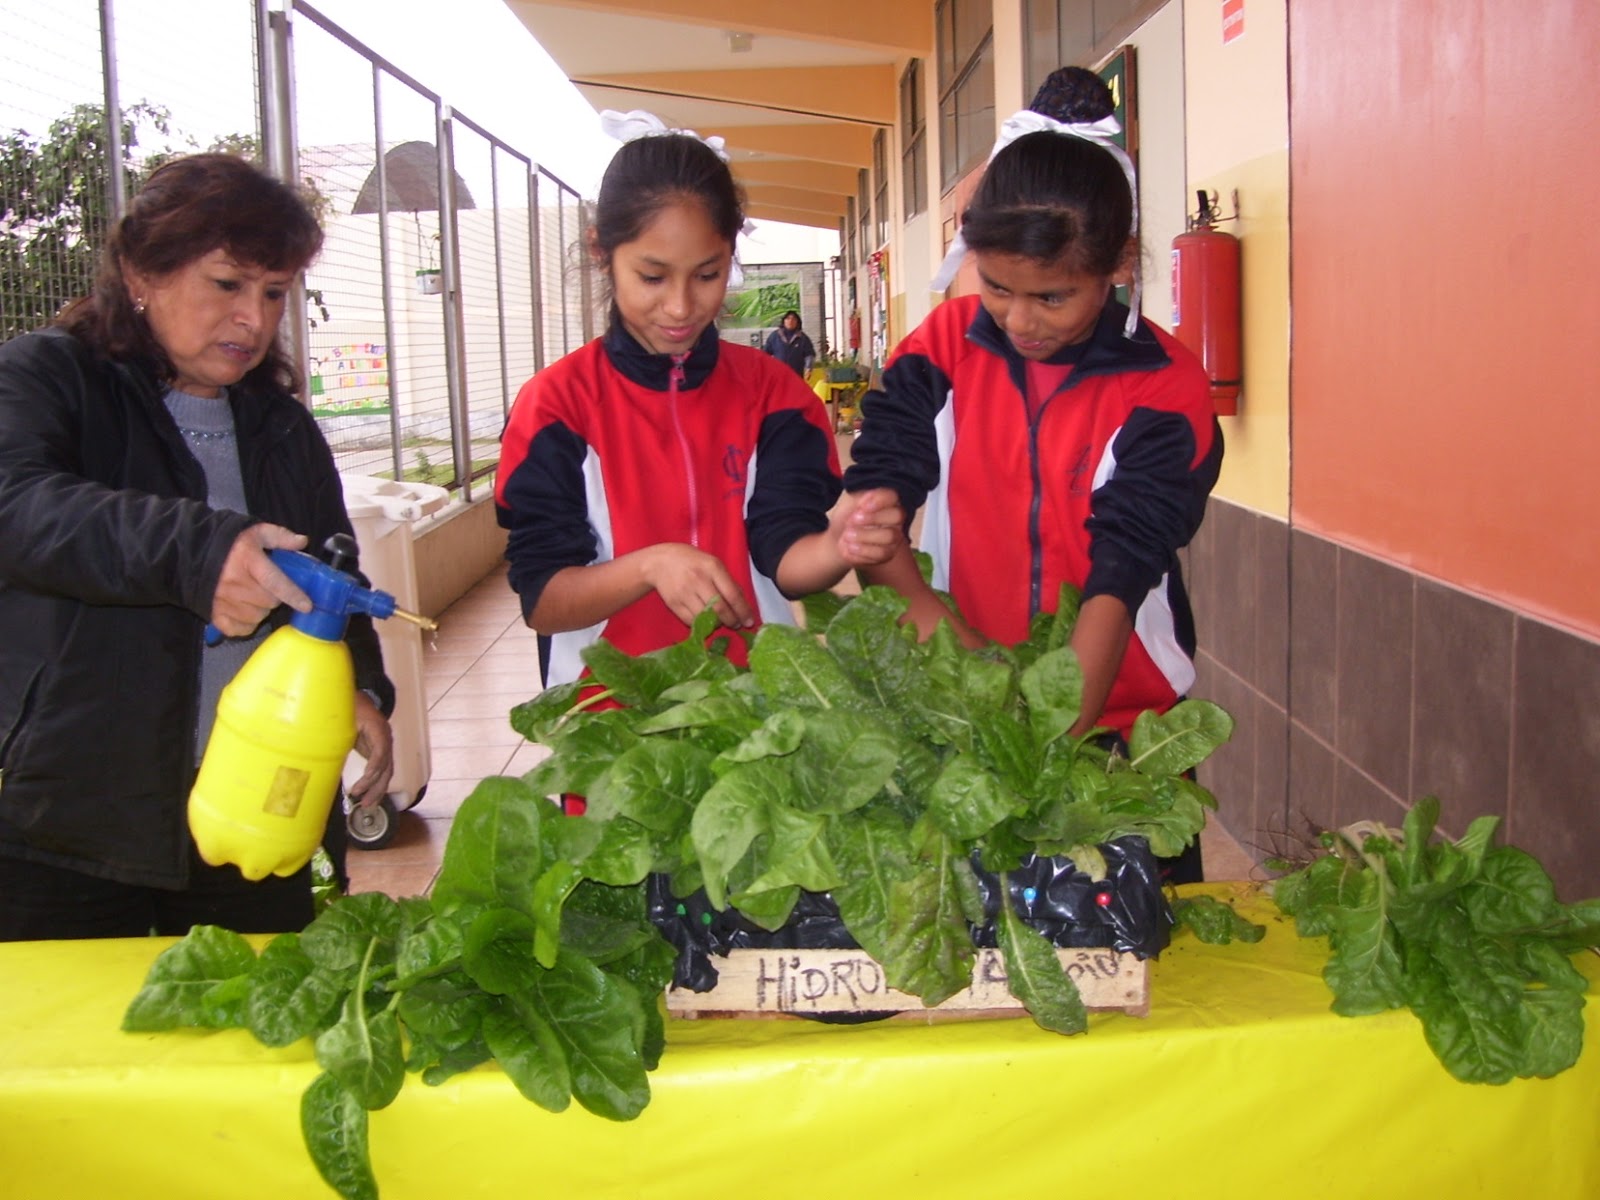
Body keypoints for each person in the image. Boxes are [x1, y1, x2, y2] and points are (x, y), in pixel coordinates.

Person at [0, 153, 396, 940]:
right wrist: (199, 552)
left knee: (248, 1048)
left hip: (253, 818)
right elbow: (19, 507)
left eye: (274, 292)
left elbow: (332, 577)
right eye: (227, 284)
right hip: (68, 827)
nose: (253, 318)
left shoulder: (282, 428)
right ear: (141, 270)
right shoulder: (49, 377)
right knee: (70, 1053)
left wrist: (359, 687)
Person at [842, 67, 1223, 882]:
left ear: (1118, 264)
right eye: (998, 288)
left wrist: (1047, 727)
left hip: (1122, 731)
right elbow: (874, 513)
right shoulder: (940, 348)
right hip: (956, 714)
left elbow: (1122, 575)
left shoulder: (1165, 384)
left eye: (1052, 297)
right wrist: (936, 628)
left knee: (1143, 980)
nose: (1020, 321)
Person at [496, 110, 902, 714]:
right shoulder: (555, 406)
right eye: (653, 277)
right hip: (612, 729)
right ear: (601, 253)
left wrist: (839, 545)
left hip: (754, 713)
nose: (682, 306)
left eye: (708, 275)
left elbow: (785, 555)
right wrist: (652, 566)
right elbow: (545, 600)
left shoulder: (777, 394)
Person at [763, 309, 815, 376]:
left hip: (796, 376)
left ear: (797, 322)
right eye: (788, 318)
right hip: (778, 375)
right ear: (784, 321)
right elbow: (765, 353)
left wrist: (808, 368)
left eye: (794, 319)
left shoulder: (803, 338)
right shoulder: (775, 336)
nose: (790, 321)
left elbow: (809, 355)